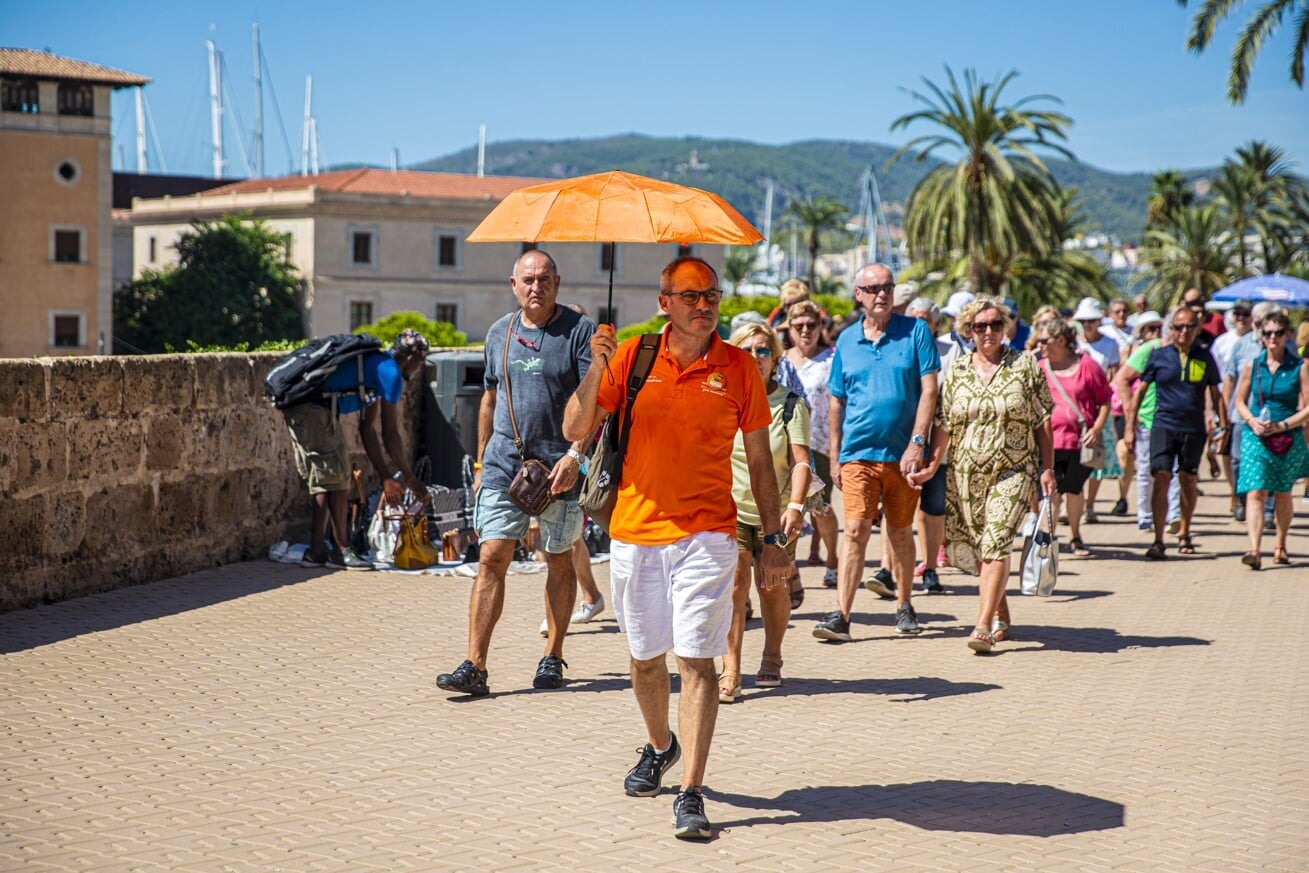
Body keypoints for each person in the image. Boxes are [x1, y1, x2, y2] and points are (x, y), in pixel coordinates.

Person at [562, 255, 785, 841]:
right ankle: (660, 744)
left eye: (711, 294)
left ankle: (690, 790)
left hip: (709, 535)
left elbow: (760, 461)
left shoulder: (739, 368)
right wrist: (595, 367)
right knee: (644, 659)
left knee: (697, 661)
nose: (705, 304)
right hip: (635, 533)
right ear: (665, 301)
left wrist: (774, 538)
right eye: (691, 296)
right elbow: (574, 429)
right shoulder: (631, 357)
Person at [435, 250, 596, 697]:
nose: (536, 287)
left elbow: (595, 402)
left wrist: (576, 455)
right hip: (505, 465)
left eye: (544, 279)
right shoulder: (498, 333)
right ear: (513, 284)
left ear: (558, 283)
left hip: (560, 467)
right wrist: (483, 460)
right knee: (491, 558)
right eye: (528, 280)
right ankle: (475, 665)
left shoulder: (579, 333)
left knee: (559, 560)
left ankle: (553, 655)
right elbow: (489, 398)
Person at [913, 296, 1054, 653]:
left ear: (1006, 327)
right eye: (980, 326)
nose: (988, 331)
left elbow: (1042, 421)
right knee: (980, 549)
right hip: (965, 474)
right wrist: (932, 463)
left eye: (995, 324)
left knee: (994, 543)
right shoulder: (958, 370)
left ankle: (982, 627)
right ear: (968, 330)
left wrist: (1047, 468)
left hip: (1013, 470)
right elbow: (944, 423)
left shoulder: (1025, 365)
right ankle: (1001, 614)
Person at [812, 263, 940, 643]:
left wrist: (918, 442)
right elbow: (837, 401)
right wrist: (835, 456)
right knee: (854, 530)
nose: (881, 294)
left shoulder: (916, 331)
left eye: (887, 287)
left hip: (903, 455)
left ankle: (904, 604)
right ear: (858, 294)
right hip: (857, 453)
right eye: (873, 288)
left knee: (899, 532)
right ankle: (842, 614)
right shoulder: (848, 341)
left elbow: (929, 390)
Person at [719, 323, 810, 701]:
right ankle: (731, 668)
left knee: (772, 588)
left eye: (762, 350)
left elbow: (801, 463)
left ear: (774, 359)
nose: (755, 357)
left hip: (776, 514)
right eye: (747, 350)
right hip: (730, 510)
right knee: (735, 589)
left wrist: (795, 506)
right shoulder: (722, 398)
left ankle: (772, 656)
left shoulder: (790, 404)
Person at [287, 329, 430, 569]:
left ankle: (318, 551)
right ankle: (341, 551)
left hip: (310, 406)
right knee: (339, 476)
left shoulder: (378, 366)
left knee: (328, 476)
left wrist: (388, 476)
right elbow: (390, 432)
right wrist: (407, 476)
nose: (418, 368)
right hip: (312, 406)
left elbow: (367, 430)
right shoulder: (391, 374)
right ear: (410, 358)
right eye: (420, 361)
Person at [1122, 305, 1226, 560]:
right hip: (1163, 425)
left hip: (1193, 428)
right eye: (1178, 327)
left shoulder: (1204, 357)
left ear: (1197, 328)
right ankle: (1158, 540)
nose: (1184, 331)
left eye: (1190, 326)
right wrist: (1129, 428)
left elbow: (1216, 393)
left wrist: (1223, 427)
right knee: (1162, 476)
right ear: (1172, 329)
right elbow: (1140, 391)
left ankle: (1185, 532)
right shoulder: (1159, 355)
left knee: (1188, 479)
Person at [1233, 310, 1309, 569]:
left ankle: (1281, 543)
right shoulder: (1252, 366)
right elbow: (1240, 401)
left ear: (1288, 335)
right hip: (1257, 436)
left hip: (1287, 436)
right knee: (1256, 491)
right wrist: (1252, 421)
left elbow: (1308, 406)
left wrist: (1285, 425)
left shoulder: (1299, 366)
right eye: (1267, 333)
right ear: (1261, 336)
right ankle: (1254, 548)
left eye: (1278, 332)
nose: (1273, 337)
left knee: (1283, 492)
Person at [1036, 319, 1112, 557]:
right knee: (1051, 489)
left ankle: (1075, 535)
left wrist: (1097, 428)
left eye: (1044, 340)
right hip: (1048, 441)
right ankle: (1047, 539)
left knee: (1074, 488)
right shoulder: (1039, 367)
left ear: (1061, 340)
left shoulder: (1086, 365)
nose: (1040, 345)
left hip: (1081, 442)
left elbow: (1105, 400)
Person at [783, 299, 840, 589]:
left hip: (820, 444)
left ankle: (832, 558)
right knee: (789, 508)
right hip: (785, 446)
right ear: (790, 329)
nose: (805, 331)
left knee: (822, 508)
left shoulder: (831, 359)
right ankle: (791, 573)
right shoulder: (779, 359)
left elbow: (839, 404)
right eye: (799, 326)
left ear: (820, 327)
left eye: (811, 325)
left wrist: (837, 450)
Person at [904, 296, 955, 593]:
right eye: (915, 319)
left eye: (926, 320)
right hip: (901, 441)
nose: (920, 324)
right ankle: (888, 568)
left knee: (934, 508)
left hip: (937, 441)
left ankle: (931, 568)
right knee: (897, 511)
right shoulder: (899, 349)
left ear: (936, 324)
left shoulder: (950, 352)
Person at [1214, 301, 1255, 519]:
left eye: (1245, 314)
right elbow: (1226, 378)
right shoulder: (1223, 342)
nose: (1241, 318)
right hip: (1230, 408)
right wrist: (1220, 409)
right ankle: (1236, 493)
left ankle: (1253, 500)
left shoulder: (1262, 342)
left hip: (1255, 410)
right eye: (1237, 313)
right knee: (1231, 456)